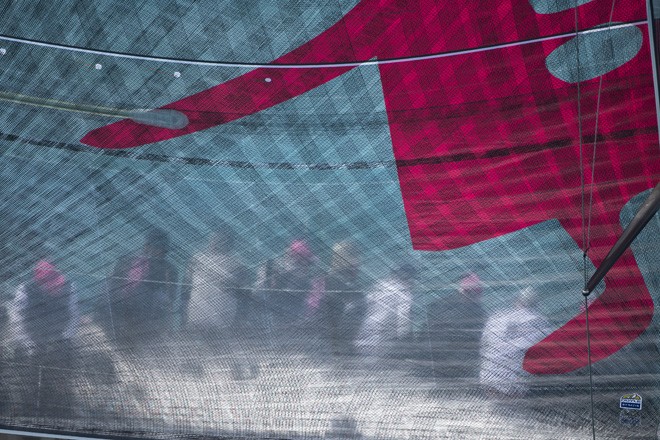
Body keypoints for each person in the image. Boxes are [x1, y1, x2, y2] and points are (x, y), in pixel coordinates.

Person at [10, 242, 80, 417]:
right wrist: (29, 344)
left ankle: (61, 407)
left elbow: (74, 317)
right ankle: (28, 409)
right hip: (33, 339)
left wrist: (63, 339)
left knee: (61, 376)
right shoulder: (24, 289)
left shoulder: (69, 287)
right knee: (30, 377)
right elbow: (18, 320)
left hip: (59, 338)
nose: (51, 286)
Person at [104, 227, 178, 345]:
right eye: (158, 248)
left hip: (136, 319)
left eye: (161, 249)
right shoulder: (168, 269)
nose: (160, 252)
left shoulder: (168, 270)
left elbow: (169, 301)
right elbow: (169, 301)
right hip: (132, 318)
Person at [480, 286, 552, 397]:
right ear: (537, 305)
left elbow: (483, 346)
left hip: (487, 378)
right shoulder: (541, 323)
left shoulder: (496, 317)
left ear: (516, 301)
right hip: (513, 385)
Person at [181, 225, 248, 335]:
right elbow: (185, 290)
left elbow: (243, 296)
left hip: (218, 320)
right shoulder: (197, 260)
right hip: (201, 318)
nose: (214, 243)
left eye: (218, 240)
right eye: (214, 239)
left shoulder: (238, 265)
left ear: (228, 243)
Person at [423, 272, 485, 381]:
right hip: (457, 365)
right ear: (476, 294)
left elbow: (426, 332)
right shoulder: (478, 313)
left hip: (433, 360)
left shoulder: (436, 305)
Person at [254, 239, 321, 334]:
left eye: (308, 264)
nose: (306, 267)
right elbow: (259, 293)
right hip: (271, 320)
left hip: (291, 322)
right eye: (304, 263)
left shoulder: (304, 278)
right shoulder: (273, 270)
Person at [355, 264, 417, 359]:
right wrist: (404, 339)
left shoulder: (380, 285)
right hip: (382, 338)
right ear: (409, 278)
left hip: (365, 331)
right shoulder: (404, 293)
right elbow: (402, 320)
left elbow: (365, 304)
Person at [317, 241, 365, 356]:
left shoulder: (321, 281)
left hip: (323, 345)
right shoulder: (351, 290)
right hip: (334, 348)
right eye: (355, 256)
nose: (359, 263)